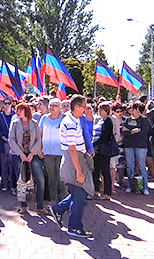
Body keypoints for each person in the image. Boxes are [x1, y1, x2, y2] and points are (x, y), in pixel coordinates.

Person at [50, 94, 94, 238]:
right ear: (77, 107)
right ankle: (74, 226)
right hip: (73, 161)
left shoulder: (73, 120)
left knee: (78, 193)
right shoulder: (70, 123)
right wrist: (79, 171)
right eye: (84, 107)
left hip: (76, 160)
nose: (86, 110)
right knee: (80, 196)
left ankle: (58, 209)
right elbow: (72, 149)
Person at [9, 102, 46, 215]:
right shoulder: (15, 123)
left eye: (21, 110)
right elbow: (11, 139)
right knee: (22, 180)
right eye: (17, 110)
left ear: (26, 111)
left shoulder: (34, 123)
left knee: (40, 179)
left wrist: (31, 153)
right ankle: (23, 206)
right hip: (18, 155)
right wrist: (20, 153)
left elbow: (38, 140)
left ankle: (39, 206)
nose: (18, 112)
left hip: (32, 155)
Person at [40, 98, 67, 207]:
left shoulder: (64, 119)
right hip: (48, 153)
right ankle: (53, 200)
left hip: (62, 153)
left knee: (62, 178)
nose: (52, 107)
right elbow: (40, 134)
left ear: (60, 108)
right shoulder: (44, 118)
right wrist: (40, 150)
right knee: (51, 178)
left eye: (55, 105)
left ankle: (64, 201)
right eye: (51, 105)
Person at [122, 102, 152, 195]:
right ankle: (130, 186)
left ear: (137, 109)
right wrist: (132, 132)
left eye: (133, 110)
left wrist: (130, 132)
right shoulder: (127, 120)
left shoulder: (144, 120)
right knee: (130, 166)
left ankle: (145, 187)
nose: (131, 112)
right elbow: (124, 132)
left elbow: (143, 133)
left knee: (142, 166)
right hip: (129, 145)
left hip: (141, 145)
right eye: (130, 111)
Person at [92, 103, 114, 200]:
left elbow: (105, 136)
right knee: (96, 170)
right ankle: (96, 190)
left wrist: (94, 144)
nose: (99, 112)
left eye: (101, 110)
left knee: (105, 171)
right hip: (97, 150)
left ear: (106, 111)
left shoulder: (108, 121)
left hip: (104, 149)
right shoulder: (100, 120)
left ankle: (107, 193)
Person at [0, 96, 16, 192]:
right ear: (3, 105)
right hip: (3, 143)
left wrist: (11, 140)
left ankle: (13, 185)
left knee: (12, 165)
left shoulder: (15, 115)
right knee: (4, 164)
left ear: (12, 104)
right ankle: (4, 183)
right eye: (5, 103)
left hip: (14, 144)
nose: (7, 105)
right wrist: (5, 138)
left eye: (9, 103)